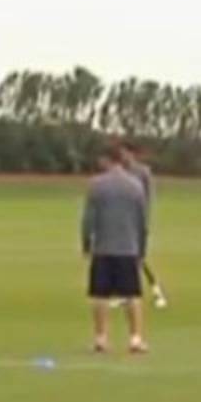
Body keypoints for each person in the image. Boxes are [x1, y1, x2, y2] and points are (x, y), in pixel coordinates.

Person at [82, 146, 149, 354]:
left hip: (103, 247)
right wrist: (142, 248)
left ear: (107, 160)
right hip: (128, 247)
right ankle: (135, 338)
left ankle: (101, 338)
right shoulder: (135, 186)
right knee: (132, 295)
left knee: (100, 295)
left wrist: (86, 243)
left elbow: (88, 219)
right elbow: (142, 221)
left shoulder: (96, 185)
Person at [120, 141, 169, 309]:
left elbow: (148, 198)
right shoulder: (120, 172)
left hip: (138, 222)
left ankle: (157, 291)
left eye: (125, 153)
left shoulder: (142, 172)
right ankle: (127, 294)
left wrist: (144, 221)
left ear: (132, 154)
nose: (123, 157)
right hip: (123, 222)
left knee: (139, 258)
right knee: (125, 258)